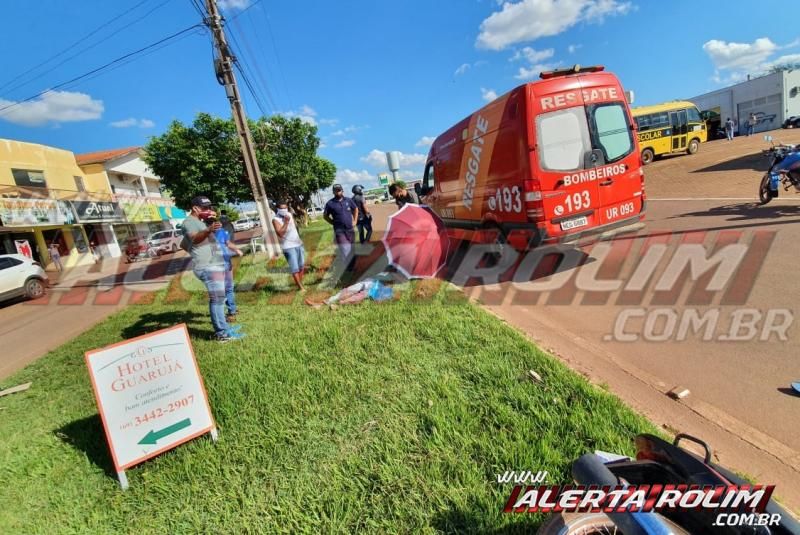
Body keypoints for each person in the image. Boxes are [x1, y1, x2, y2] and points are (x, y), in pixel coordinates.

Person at [181, 196, 244, 342]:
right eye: (205, 208)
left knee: (219, 299)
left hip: (215, 264)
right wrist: (208, 230)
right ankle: (221, 334)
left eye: (210, 207)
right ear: (195, 208)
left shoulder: (199, 223)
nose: (208, 210)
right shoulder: (188, 222)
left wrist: (198, 245)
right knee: (217, 300)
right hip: (207, 267)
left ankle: (224, 327)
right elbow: (194, 239)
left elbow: (184, 244)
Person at [323, 184, 358, 273]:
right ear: (333, 192)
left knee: (352, 249)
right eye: (336, 190)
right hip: (339, 231)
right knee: (345, 249)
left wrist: (355, 221)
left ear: (342, 191)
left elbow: (356, 209)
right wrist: (332, 222)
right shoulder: (330, 203)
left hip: (350, 229)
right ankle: (348, 268)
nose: (338, 192)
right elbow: (325, 216)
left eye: (339, 190)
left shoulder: (348, 200)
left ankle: (352, 266)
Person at [215, 214, 244, 323]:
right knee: (220, 290)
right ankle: (221, 316)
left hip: (226, 262)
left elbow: (228, 243)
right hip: (214, 266)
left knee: (229, 288)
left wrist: (237, 250)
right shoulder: (205, 235)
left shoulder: (222, 231)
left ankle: (232, 310)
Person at [272, 200, 306, 291]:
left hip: (298, 243)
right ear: (278, 209)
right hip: (288, 247)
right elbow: (280, 234)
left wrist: (299, 238)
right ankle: (301, 288)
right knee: (295, 268)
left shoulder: (290, 215)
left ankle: (300, 282)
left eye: (285, 208)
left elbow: (294, 228)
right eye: (282, 209)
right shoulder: (275, 220)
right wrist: (286, 222)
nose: (284, 210)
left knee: (302, 266)